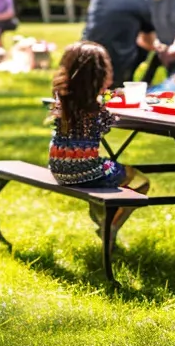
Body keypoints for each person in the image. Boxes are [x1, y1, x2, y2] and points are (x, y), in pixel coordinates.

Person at [48, 40, 150, 241]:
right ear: (100, 75)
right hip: (86, 171)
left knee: (109, 171)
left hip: (58, 168)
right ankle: (110, 224)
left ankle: (100, 211)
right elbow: (107, 125)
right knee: (139, 180)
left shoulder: (62, 99)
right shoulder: (97, 110)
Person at [83, 0, 156, 86]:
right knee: (143, 50)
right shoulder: (138, 2)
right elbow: (149, 42)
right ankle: (128, 82)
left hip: (89, 53)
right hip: (119, 60)